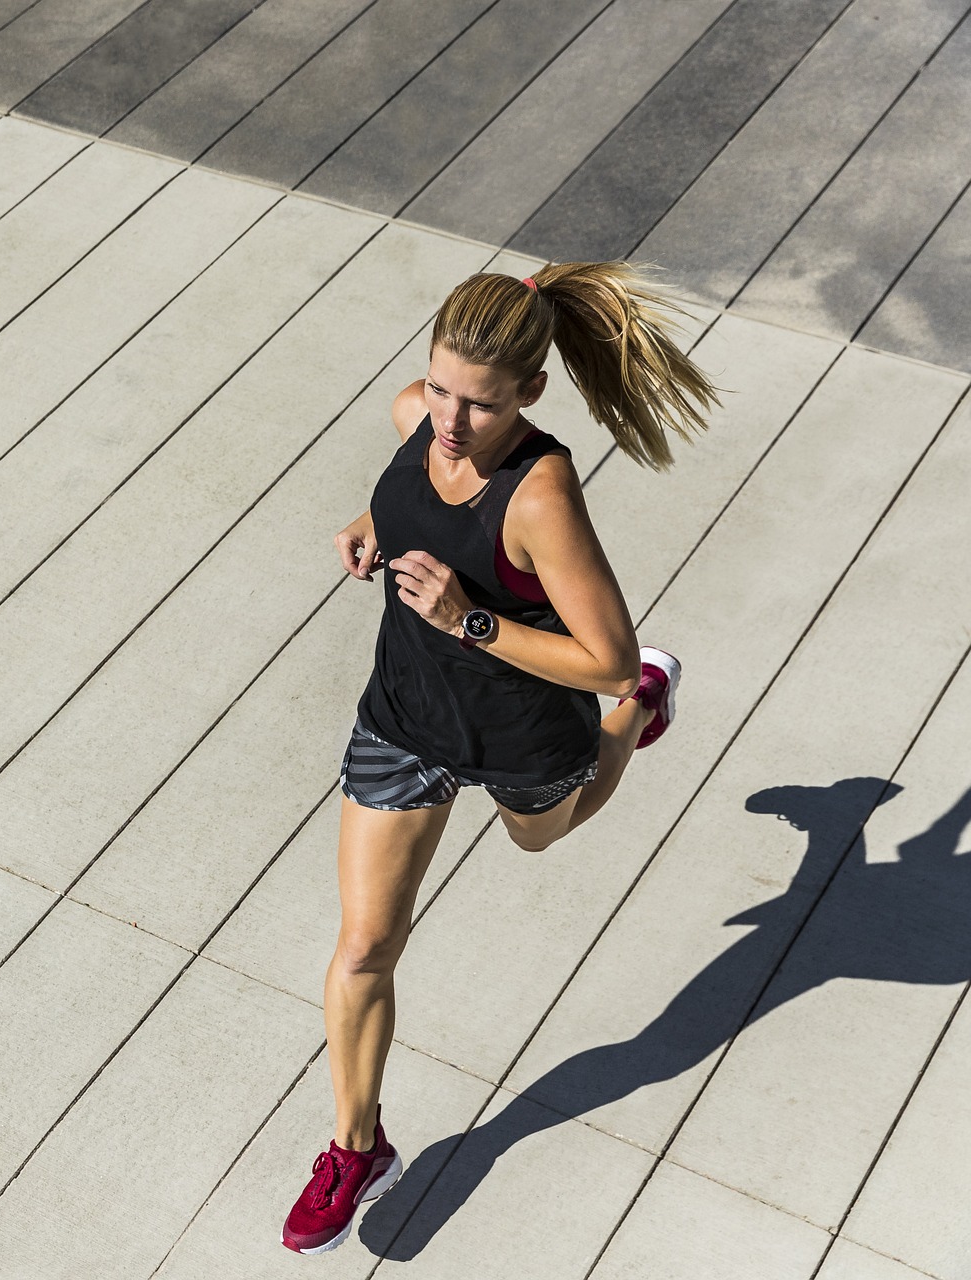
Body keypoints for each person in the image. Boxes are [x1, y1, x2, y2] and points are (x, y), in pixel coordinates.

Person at [281, 263, 720, 1255]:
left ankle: (645, 714)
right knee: (362, 947)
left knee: (541, 834)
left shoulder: (540, 494)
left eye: (478, 403)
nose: (448, 419)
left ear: (529, 393)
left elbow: (601, 653)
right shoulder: (416, 417)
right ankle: (358, 1144)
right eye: (439, 387)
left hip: (527, 727)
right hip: (404, 717)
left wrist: (468, 617)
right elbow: (408, 484)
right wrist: (370, 522)